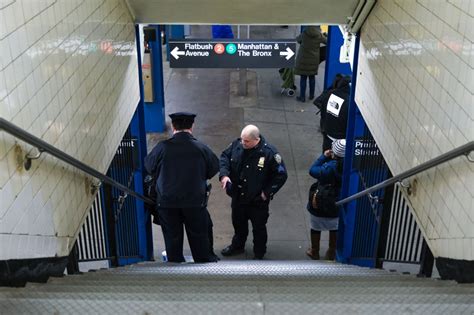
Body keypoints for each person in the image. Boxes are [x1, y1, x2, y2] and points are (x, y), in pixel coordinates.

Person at [144, 112, 219, 263]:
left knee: (172, 238)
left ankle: (175, 265)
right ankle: (203, 264)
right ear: (192, 127)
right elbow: (213, 169)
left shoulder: (162, 148)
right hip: (195, 202)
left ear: (173, 127)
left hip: (167, 202)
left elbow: (149, 166)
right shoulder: (202, 148)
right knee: (199, 237)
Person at [219, 125, 288, 259]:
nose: (243, 143)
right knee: (238, 225)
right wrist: (224, 175)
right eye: (242, 140)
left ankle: (259, 253)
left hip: (257, 201)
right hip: (238, 197)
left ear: (256, 139)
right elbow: (224, 157)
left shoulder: (270, 153)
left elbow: (281, 175)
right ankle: (237, 246)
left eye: (246, 141)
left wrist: (266, 193)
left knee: (259, 229)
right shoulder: (237, 144)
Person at [306, 139, 345, 260]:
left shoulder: (328, 168)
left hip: (321, 201)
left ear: (334, 153)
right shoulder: (349, 167)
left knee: (316, 226)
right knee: (335, 227)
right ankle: (331, 252)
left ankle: (315, 251)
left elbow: (312, 170)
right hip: (337, 201)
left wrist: (323, 157)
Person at [316, 75, 351, 151]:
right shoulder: (348, 101)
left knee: (326, 155)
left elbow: (323, 110)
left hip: (328, 132)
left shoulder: (330, 94)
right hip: (340, 138)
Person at [294, 26, 327, 102]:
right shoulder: (319, 35)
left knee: (303, 78)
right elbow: (327, 41)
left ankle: (302, 97)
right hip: (314, 60)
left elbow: (298, 39)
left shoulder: (305, 33)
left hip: (303, 59)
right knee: (312, 77)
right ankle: (311, 95)